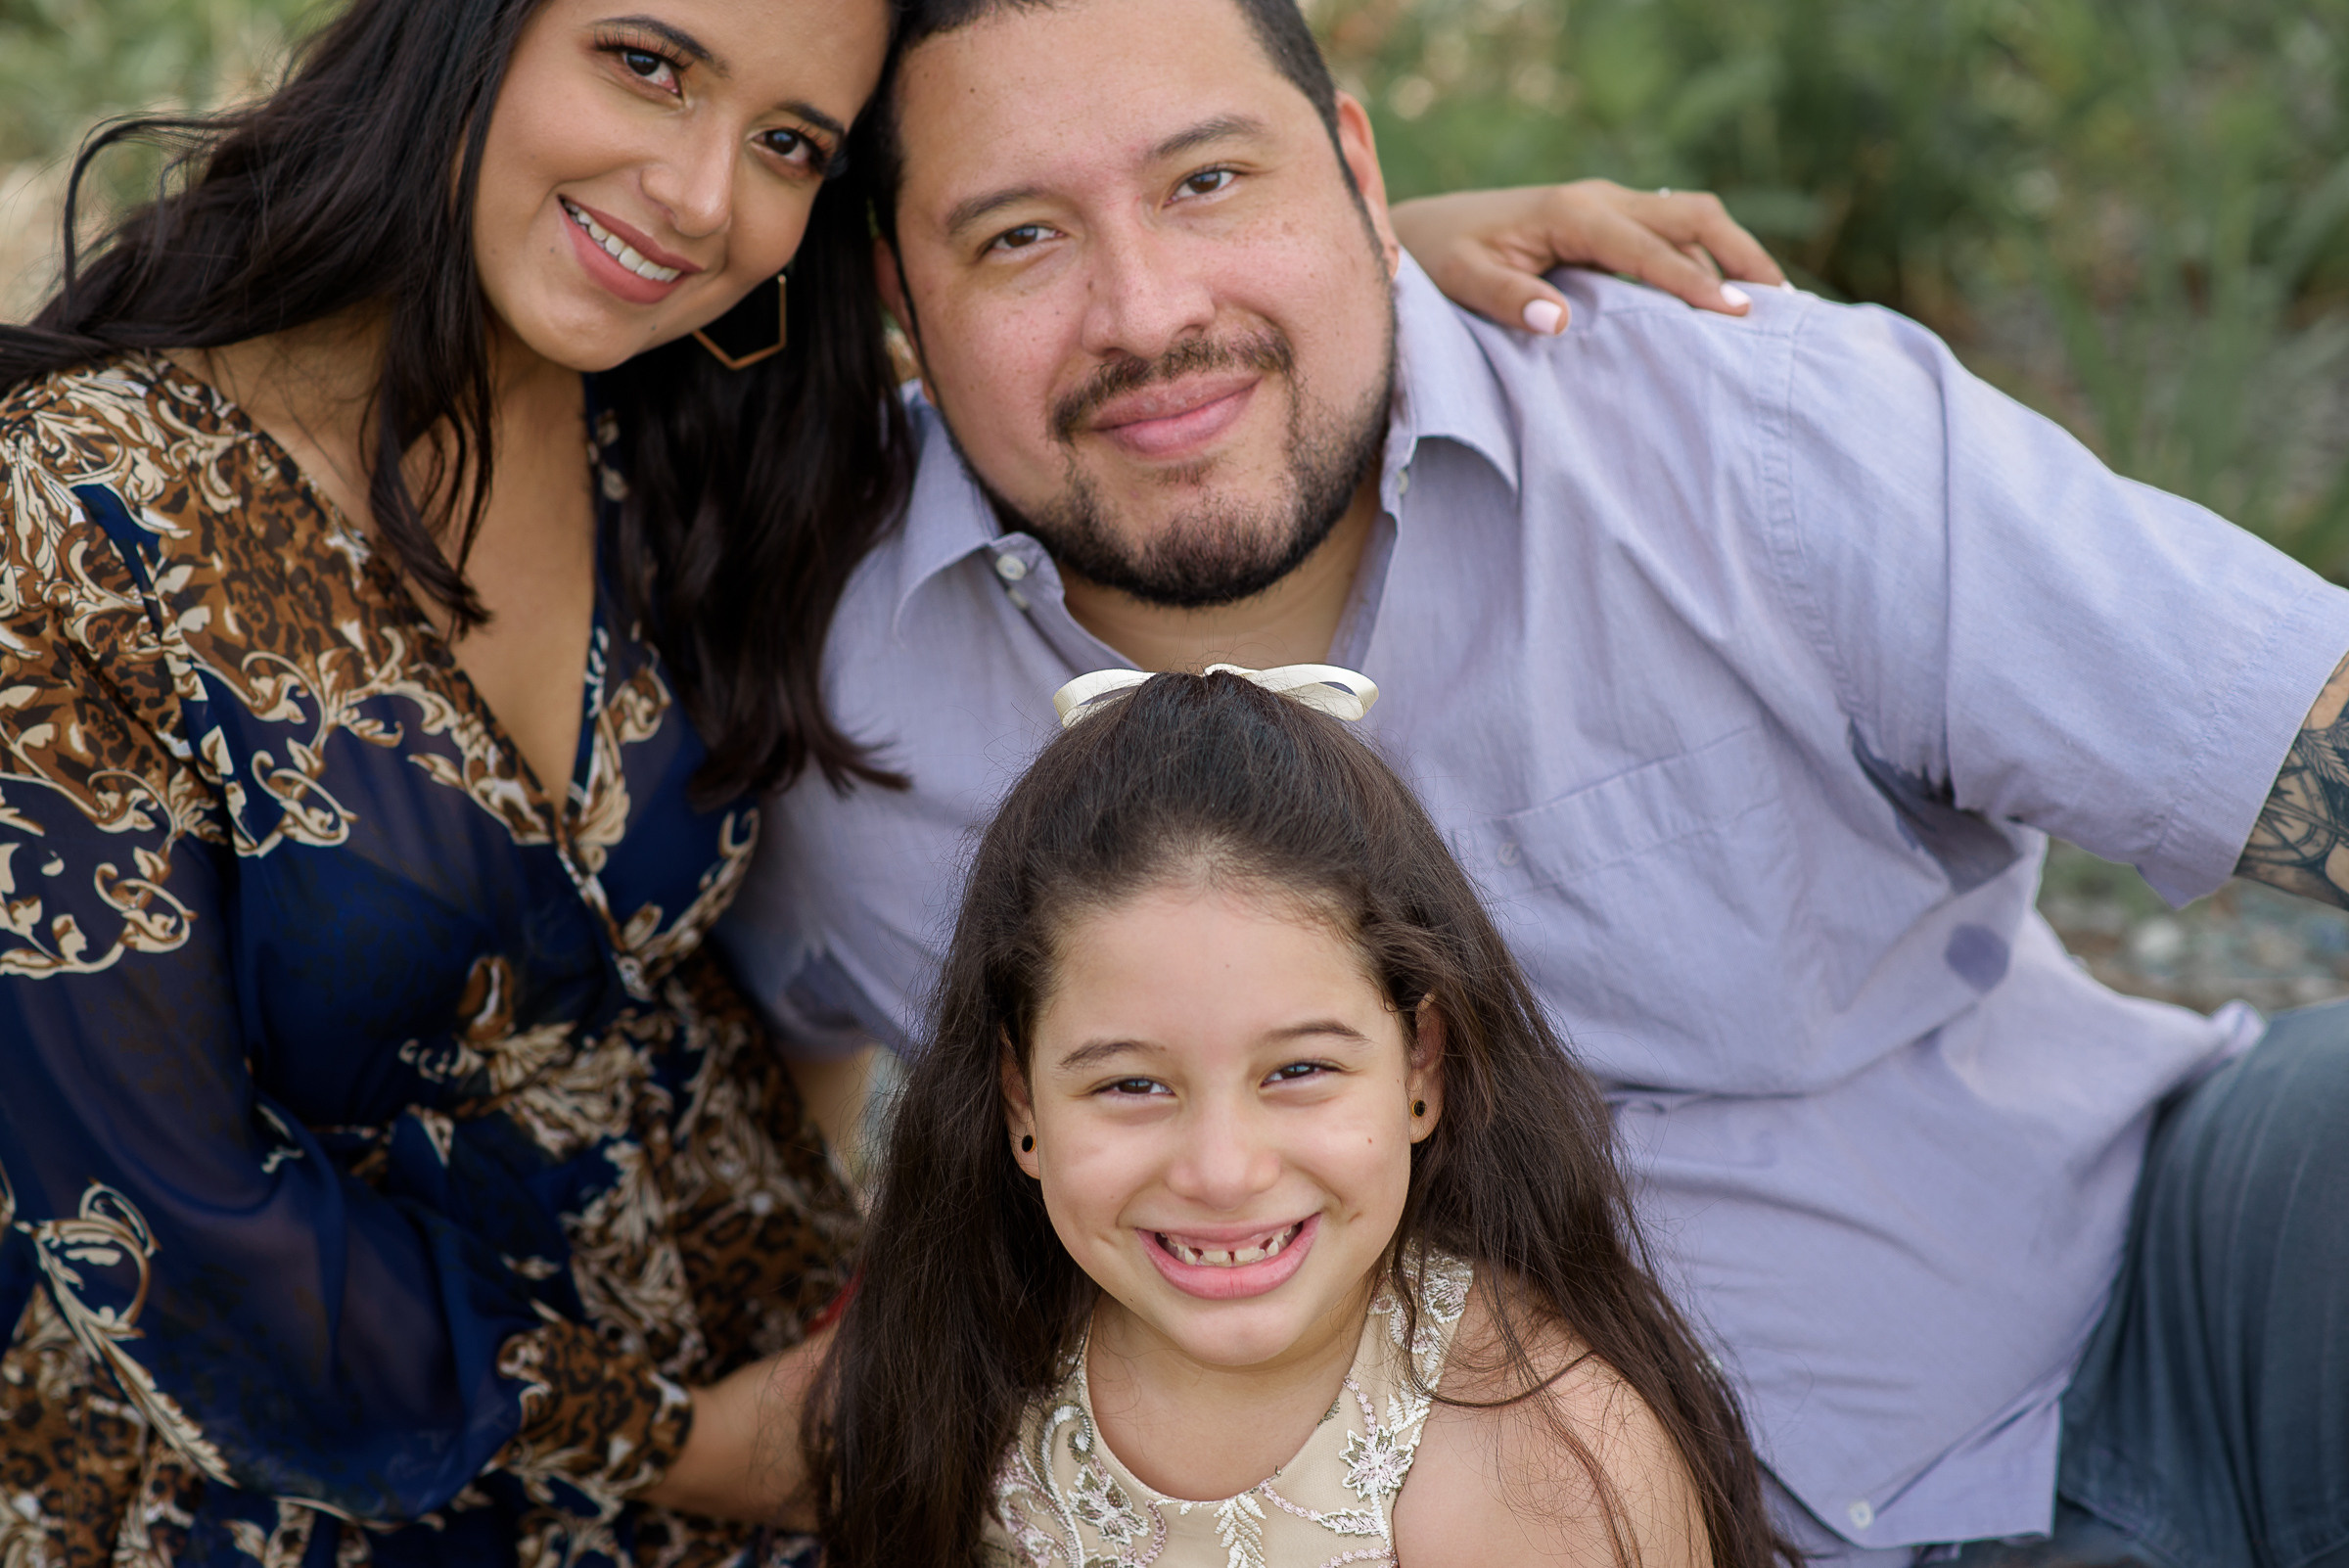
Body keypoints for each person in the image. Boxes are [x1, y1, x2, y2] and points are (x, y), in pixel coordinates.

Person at [0, 0, 1786, 1557]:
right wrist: (703, 1452)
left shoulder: (696, 428)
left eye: (788, 142)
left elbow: (1080, 340)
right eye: (645, 63)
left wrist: (1361, 250)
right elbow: (170, 1224)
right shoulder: (70, 523)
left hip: (814, 1424)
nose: (703, 197)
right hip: (310, 1493)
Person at [718, 0, 2349, 1563]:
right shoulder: (840, 707)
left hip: (2162, 1310)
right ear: (897, 300)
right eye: (1019, 237)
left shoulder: (1728, 431)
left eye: (1210, 180)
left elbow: (2295, 725)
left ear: (1357, 170)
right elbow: (759, 1130)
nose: (1146, 312)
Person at [808, 668, 1791, 1568]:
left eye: (1302, 1070)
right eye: (1131, 1087)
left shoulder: (1541, 1468)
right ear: (1021, 1101)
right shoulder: (979, 1329)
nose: (1223, 1171)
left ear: (1422, 1067)